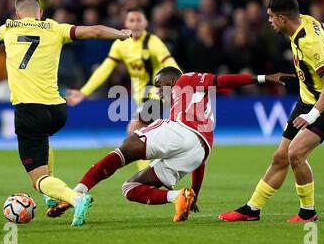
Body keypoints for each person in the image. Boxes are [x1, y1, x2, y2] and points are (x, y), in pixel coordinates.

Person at [48, 67, 295, 225]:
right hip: (199, 150)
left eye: (160, 85)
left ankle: (77, 193)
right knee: (130, 187)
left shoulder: (186, 79)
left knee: (125, 147)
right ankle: (177, 197)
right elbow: (201, 161)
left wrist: (262, 77)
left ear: (173, 79)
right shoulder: (201, 116)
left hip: (181, 131)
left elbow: (221, 80)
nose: (159, 91)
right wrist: (194, 192)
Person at [0, 0, 132, 226]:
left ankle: (74, 198)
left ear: (17, 13)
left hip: (29, 110)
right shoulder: (55, 28)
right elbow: (93, 31)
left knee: (38, 179)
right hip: (57, 110)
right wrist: (121, 34)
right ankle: (51, 198)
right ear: (40, 13)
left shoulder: (8, 28)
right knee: (43, 140)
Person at [219, 0, 324, 223]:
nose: (268, 21)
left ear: (282, 18)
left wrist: (313, 115)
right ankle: (252, 209)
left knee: (295, 154)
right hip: (308, 98)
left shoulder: (308, 42)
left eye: (270, 17)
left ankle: (308, 212)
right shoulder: (307, 22)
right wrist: (323, 37)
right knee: (280, 157)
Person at [65, 7, 181, 171]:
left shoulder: (153, 42)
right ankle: (156, 173)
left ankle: (147, 177)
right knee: (144, 137)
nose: (135, 24)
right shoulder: (121, 46)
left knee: (135, 129)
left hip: (157, 95)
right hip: (141, 98)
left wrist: (180, 83)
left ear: (146, 23)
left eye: (139, 20)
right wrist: (84, 92)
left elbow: (170, 64)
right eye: (131, 20)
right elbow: (105, 69)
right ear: (125, 23)